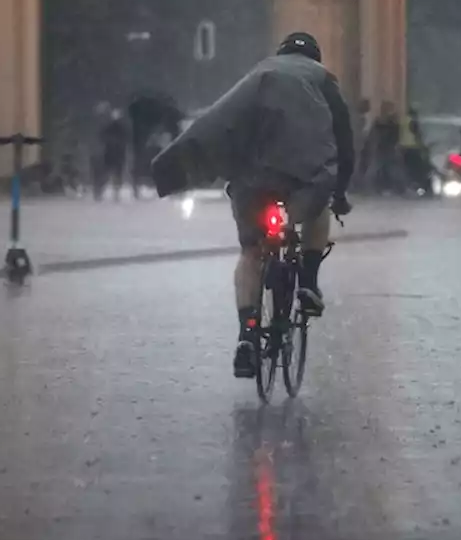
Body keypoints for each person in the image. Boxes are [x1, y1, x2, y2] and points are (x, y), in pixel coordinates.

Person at [150, 32, 354, 379]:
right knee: (318, 209)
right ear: (315, 59)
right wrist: (341, 192)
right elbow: (344, 141)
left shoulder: (257, 77)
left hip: (254, 179)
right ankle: (307, 280)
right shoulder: (323, 81)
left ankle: (247, 333)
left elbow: (219, 122)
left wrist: (176, 168)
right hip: (303, 175)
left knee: (250, 252)